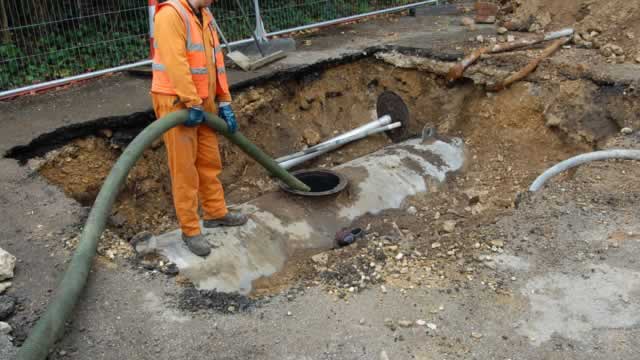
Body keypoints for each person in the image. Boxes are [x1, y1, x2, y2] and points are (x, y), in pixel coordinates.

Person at [151, 0, 247, 257]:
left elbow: (216, 62)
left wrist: (224, 99)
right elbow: (176, 63)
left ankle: (215, 212)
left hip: (202, 100)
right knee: (184, 169)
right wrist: (191, 101)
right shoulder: (171, 14)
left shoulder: (204, 15)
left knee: (208, 160)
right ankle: (190, 229)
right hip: (176, 101)